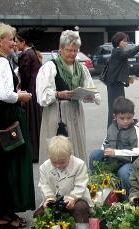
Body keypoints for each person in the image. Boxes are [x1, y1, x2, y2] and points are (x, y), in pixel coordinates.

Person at [36, 30, 101, 164]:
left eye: (75, 51)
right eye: (69, 50)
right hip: (56, 113)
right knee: (58, 150)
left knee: (76, 149)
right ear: (60, 49)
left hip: (75, 112)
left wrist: (90, 97)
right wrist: (58, 94)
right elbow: (42, 96)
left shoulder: (81, 68)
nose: (72, 54)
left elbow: (91, 88)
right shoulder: (50, 67)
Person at [0, 23, 35, 229]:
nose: (14, 42)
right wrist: (20, 95)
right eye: (11, 39)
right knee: (11, 165)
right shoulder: (2, 62)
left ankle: (4, 212)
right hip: (7, 117)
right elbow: (4, 94)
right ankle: (5, 214)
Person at [36, 136, 93, 229]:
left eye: (62, 162)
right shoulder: (44, 167)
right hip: (54, 200)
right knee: (39, 213)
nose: (58, 165)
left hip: (76, 199)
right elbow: (44, 185)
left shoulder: (79, 164)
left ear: (69, 156)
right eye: (54, 162)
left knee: (80, 208)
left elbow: (80, 184)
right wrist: (49, 198)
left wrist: (73, 197)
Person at [89, 96, 139, 194]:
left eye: (129, 118)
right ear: (115, 116)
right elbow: (106, 141)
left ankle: (128, 199)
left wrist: (115, 152)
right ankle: (95, 187)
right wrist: (104, 150)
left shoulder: (136, 130)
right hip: (112, 159)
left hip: (128, 162)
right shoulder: (112, 126)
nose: (126, 121)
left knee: (124, 172)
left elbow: (138, 151)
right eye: (122, 118)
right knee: (94, 154)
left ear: (133, 115)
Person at [106, 32, 139, 128]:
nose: (126, 43)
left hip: (116, 83)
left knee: (118, 106)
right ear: (118, 41)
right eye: (124, 41)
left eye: (126, 41)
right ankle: (112, 130)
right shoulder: (117, 51)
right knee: (115, 107)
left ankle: (117, 128)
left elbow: (124, 68)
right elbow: (130, 53)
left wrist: (129, 76)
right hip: (114, 84)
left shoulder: (118, 52)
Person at [16, 30, 42, 162]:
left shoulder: (25, 55)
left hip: (29, 92)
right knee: (36, 124)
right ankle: (37, 153)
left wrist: (20, 90)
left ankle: (32, 154)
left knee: (29, 124)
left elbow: (24, 76)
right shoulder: (33, 53)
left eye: (16, 41)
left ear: (23, 42)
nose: (15, 44)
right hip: (36, 92)